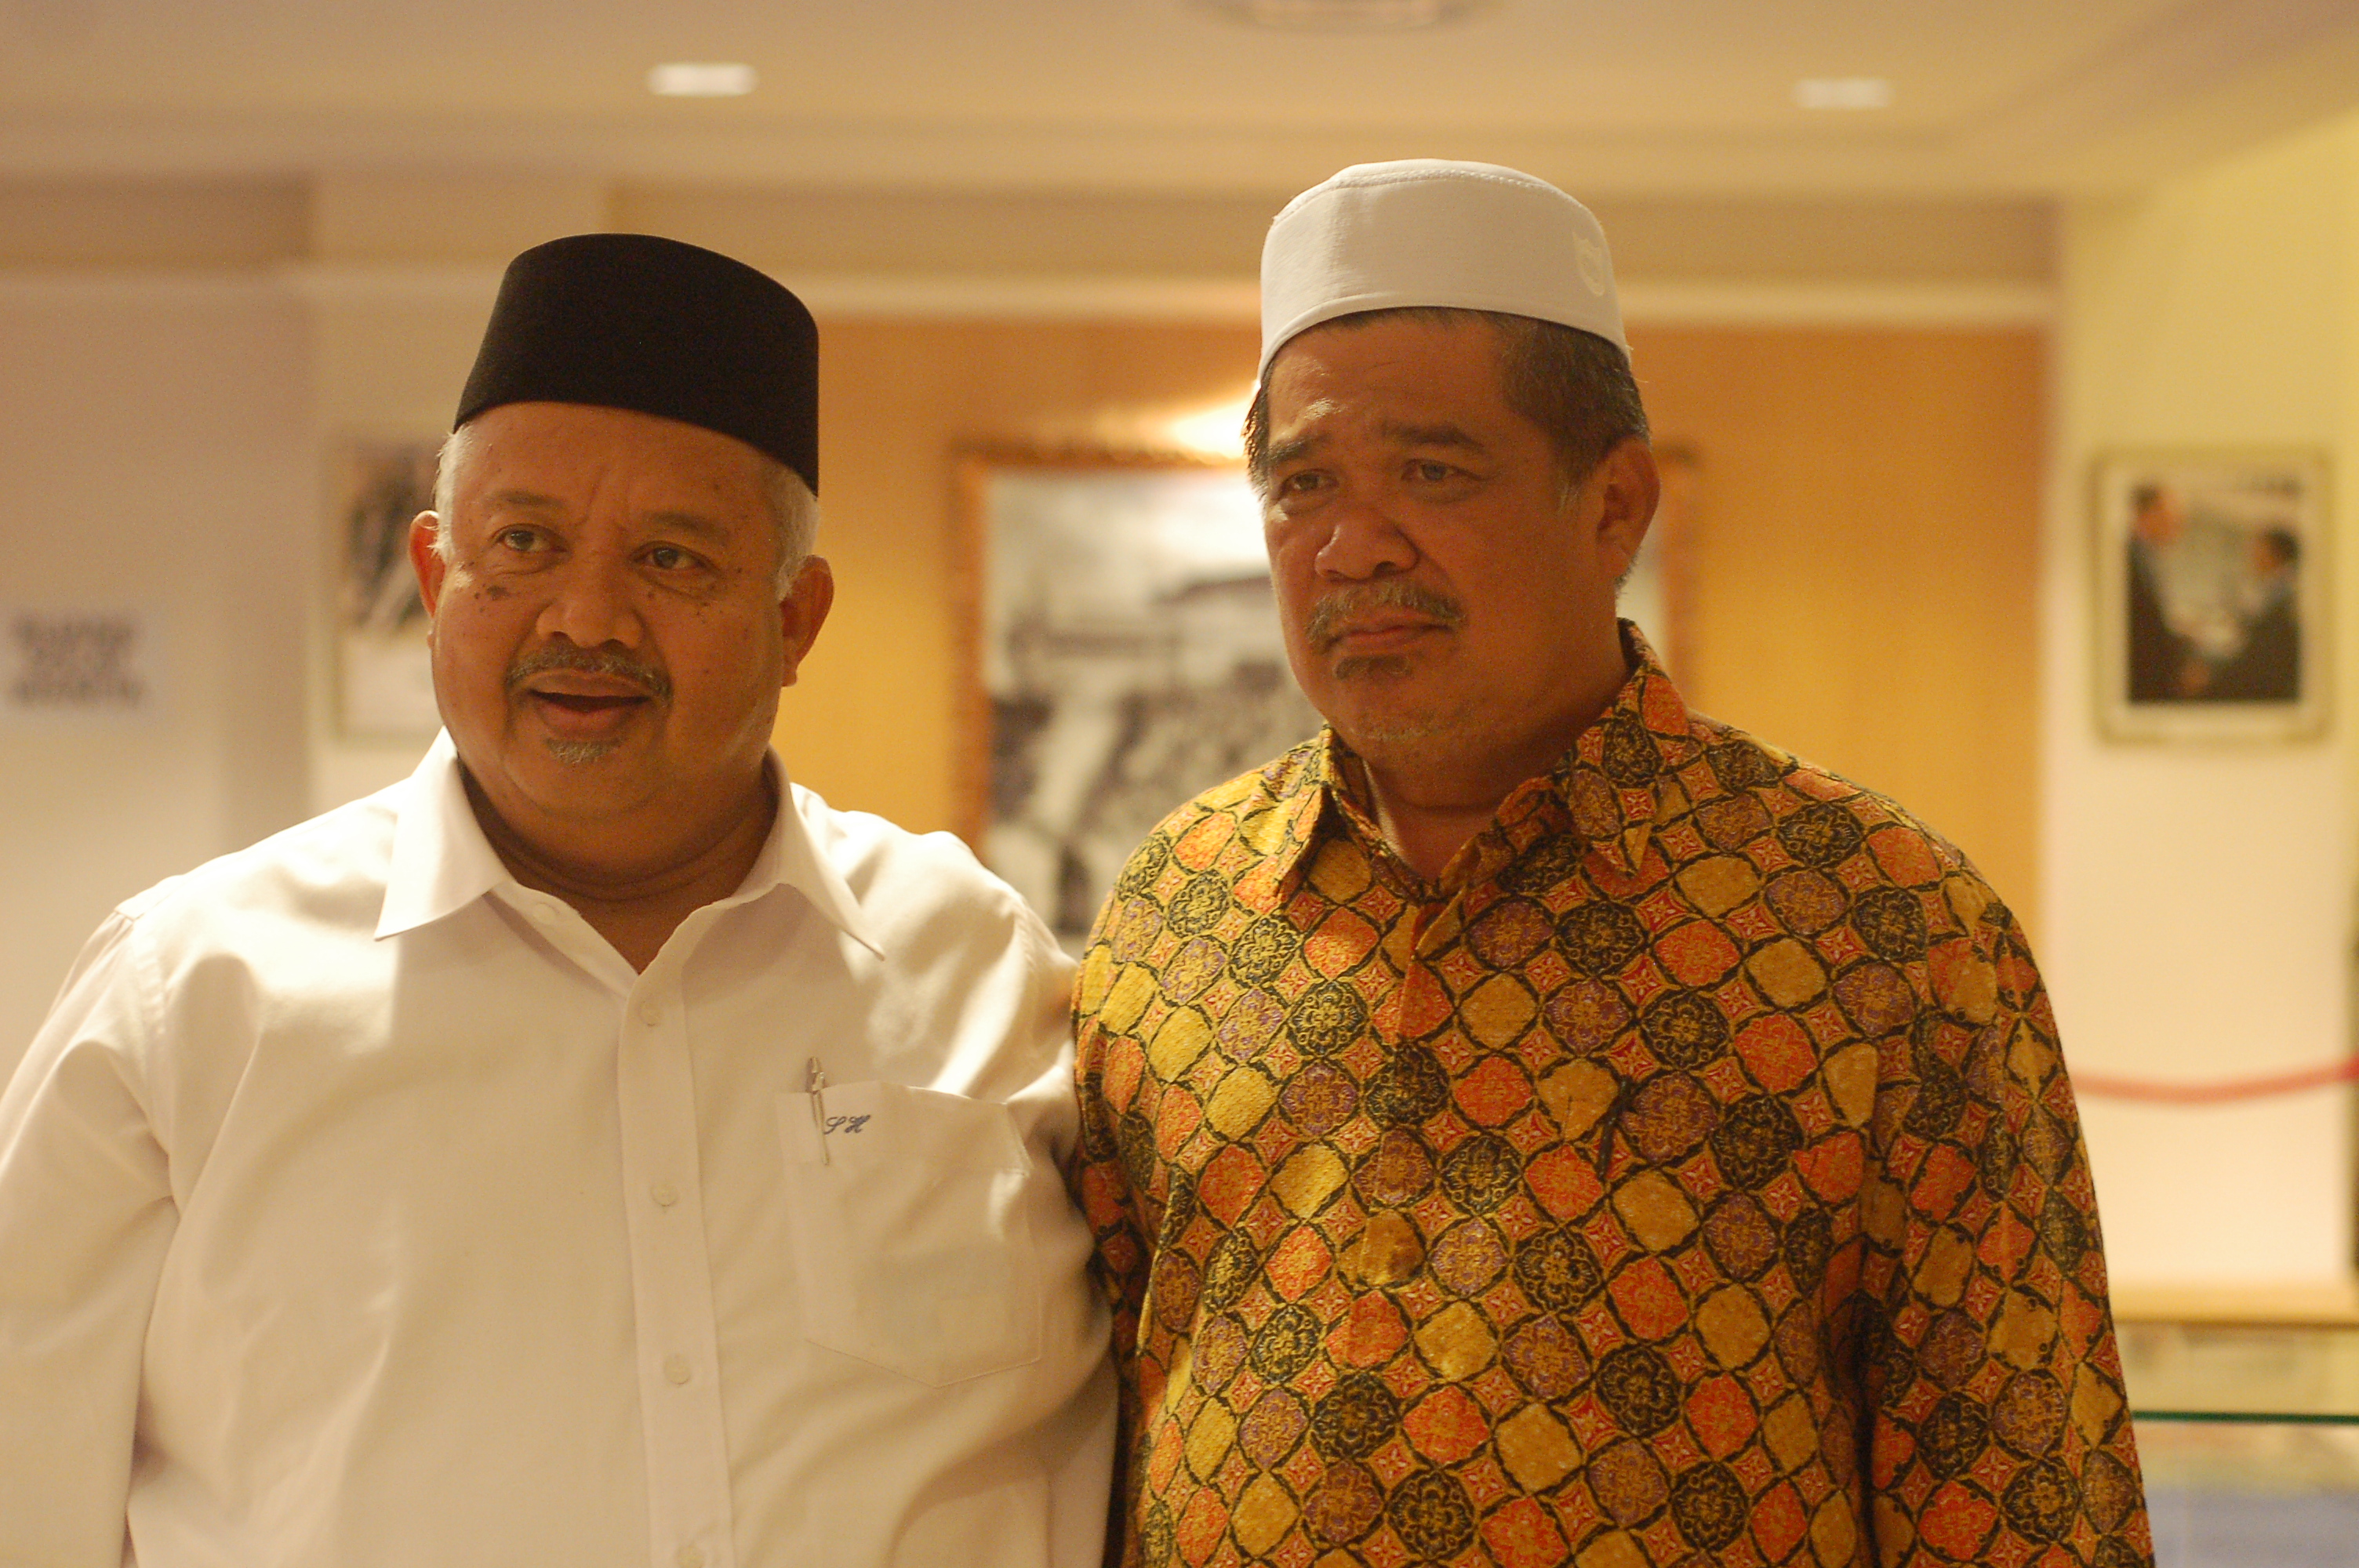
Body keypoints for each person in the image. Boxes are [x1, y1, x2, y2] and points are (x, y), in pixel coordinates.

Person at [1070, 162, 2150, 1567]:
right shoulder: (1182, 908)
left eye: (1433, 473)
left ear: (1614, 506)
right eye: (1303, 486)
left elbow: (2021, 1484)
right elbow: (1097, 1426)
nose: (1350, 547)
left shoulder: (1880, 924)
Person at [1, 234, 1112, 1566]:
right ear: (434, 582)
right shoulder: (191, 991)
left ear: (796, 619)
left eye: (673, 559)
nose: (587, 618)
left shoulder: (972, 962)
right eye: (523, 545)